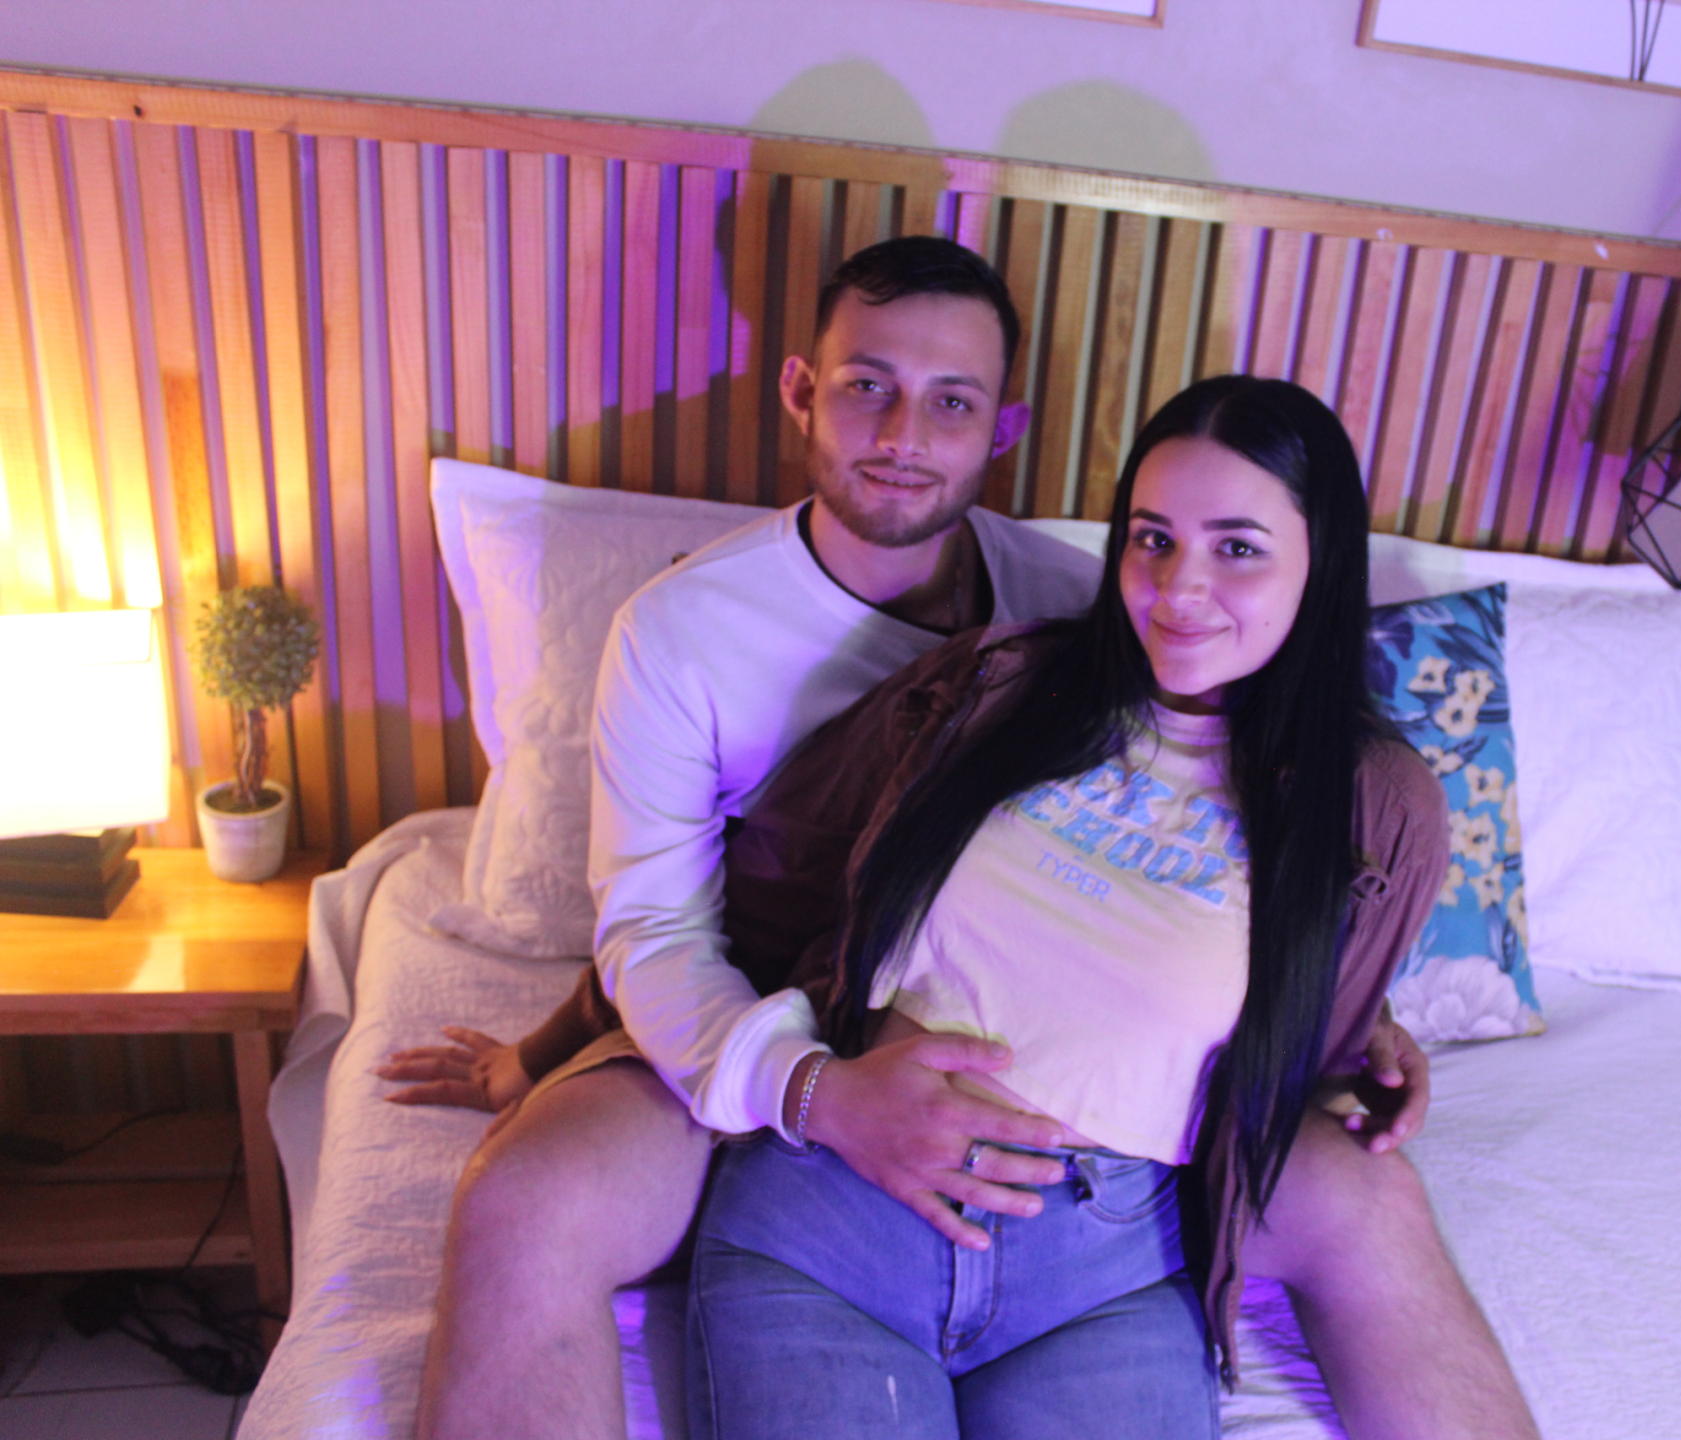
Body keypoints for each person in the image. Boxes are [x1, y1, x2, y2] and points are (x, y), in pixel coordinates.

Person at [381, 238, 1536, 1440]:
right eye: (867, 385)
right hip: (778, 1039)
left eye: (951, 401)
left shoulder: (1072, 603)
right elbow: (678, 923)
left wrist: (1338, 1017)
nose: (903, 433)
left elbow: (1262, 927)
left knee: (1372, 1194)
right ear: (801, 391)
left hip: (1093, 1222)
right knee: (526, 1195)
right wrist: (784, 1084)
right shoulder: (709, 633)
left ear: (1002, 426)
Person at [684, 374, 1449, 1438]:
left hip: (1106, 1277)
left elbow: (1302, 1038)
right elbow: (772, 872)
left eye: (1237, 548)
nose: (1178, 588)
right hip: (839, 1220)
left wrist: (1373, 1031)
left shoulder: (1374, 806)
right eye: (1151, 539)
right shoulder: (997, 686)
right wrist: (576, 1040)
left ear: (1320, 564)